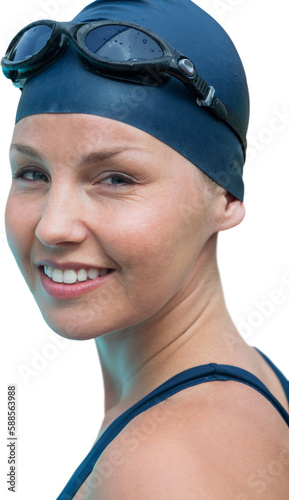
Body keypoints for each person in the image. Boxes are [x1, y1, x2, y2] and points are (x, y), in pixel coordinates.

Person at [2, 0, 289, 498]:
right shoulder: (243, 382)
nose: (53, 226)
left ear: (225, 196)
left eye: (115, 179)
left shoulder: (163, 469)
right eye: (33, 174)